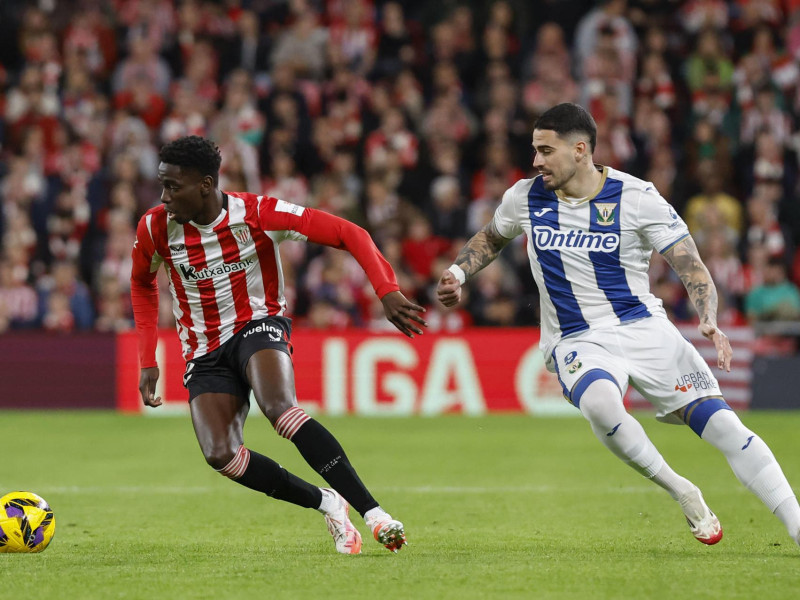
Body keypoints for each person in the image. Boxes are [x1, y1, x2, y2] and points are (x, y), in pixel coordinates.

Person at [437, 103, 800, 548]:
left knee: (724, 427)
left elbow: (689, 263)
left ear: (580, 150)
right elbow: (492, 236)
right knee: (602, 405)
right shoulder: (525, 196)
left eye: (545, 151)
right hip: (576, 337)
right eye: (535, 150)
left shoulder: (637, 196)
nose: (536, 161)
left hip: (643, 327)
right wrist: (457, 273)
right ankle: (681, 489)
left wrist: (708, 317)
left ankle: (797, 527)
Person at [131, 136, 427, 554]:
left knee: (280, 409)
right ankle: (327, 502)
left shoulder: (258, 213)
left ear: (205, 184)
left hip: (258, 325)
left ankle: (375, 514)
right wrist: (148, 358)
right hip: (202, 349)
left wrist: (386, 289)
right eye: (161, 185)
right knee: (221, 456)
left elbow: (349, 232)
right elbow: (142, 283)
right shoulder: (155, 226)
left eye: (172, 186)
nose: (164, 196)